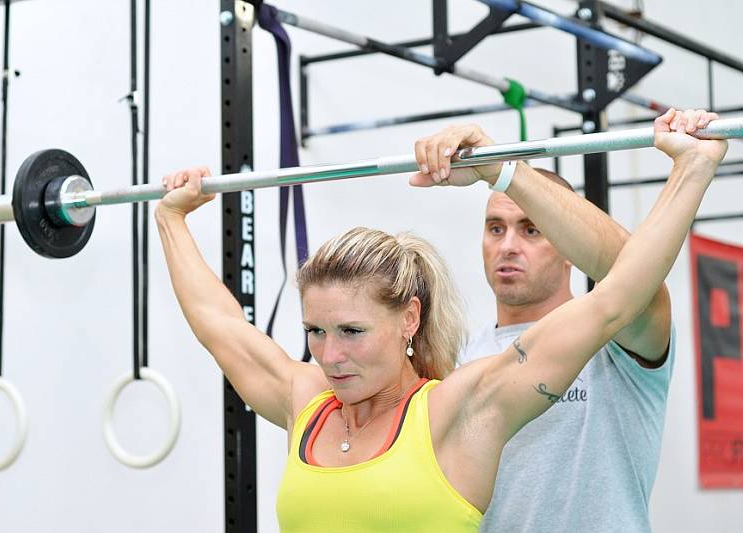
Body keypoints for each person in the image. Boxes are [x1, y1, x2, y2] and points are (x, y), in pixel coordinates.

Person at [155, 109, 726, 532]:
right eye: (315, 332)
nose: (328, 355)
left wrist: (690, 170)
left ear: (409, 318)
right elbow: (221, 327)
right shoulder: (405, 380)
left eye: (351, 331)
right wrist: (170, 220)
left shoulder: (467, 400)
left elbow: (623, 298)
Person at [410, 108, 720, 532]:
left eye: (532, 229)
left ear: (566, 242)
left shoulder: (614, 340)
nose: (508, 246)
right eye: (495, 228)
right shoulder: (458, 360)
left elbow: (633, 282)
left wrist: (504, 172)